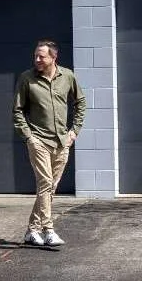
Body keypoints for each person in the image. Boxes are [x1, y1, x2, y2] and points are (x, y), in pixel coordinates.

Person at [12, 39, 87, 247]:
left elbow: (80, 102)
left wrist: (74, 131)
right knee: (45, 183)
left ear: (54, 57)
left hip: (62, 141)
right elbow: (17, 110)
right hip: (39, 141)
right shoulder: (27, 79)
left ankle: (31, 230)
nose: (37, 59)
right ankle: (48, 229)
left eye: (41, 56)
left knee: (50, 187)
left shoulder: (68, 76)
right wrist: (29, 137)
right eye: (35, 55)